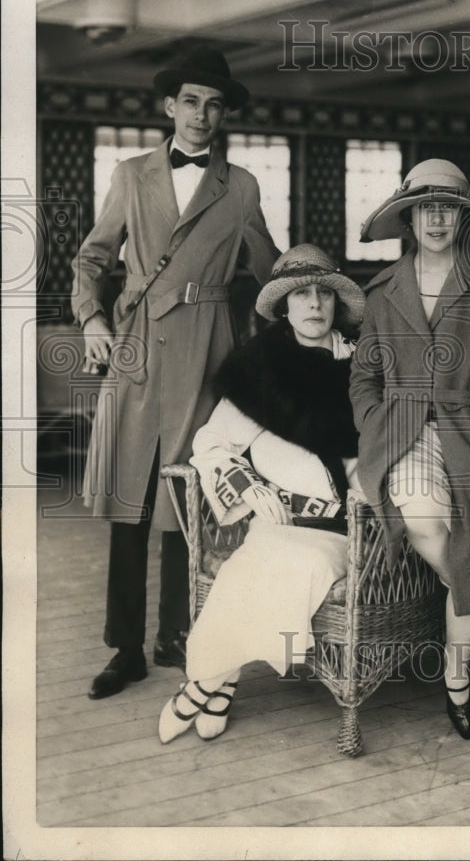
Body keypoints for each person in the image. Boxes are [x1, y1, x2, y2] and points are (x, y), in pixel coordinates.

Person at [72, 46, 280, 699]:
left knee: (189, 499)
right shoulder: (131, 175)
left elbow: (269, 267)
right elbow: (92, 257)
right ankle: (125, 648)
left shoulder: (241, 186)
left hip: (209, 347)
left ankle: (179, 635)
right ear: (170, 107)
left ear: (223, 116)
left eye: (214, 105)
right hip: (137, 345)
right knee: (130, 501)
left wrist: (312, 302)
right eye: (190, 101)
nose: (201, 115)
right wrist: (92, 321)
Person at [157, 244, 365, 742]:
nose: (314, 304)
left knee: (285, 566)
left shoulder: (363, 367)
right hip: (274, 523)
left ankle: (201, 685)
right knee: (248, 565)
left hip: (339, 530)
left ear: (335, 304)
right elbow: (209, 443)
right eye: (301, 295)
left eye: (323, 294)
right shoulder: (261, 369)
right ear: (284, 306)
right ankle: (221, 683)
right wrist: (247, 487)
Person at [350, 159, 470, 741]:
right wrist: (374, 421)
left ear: (462, 217)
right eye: (426, 207)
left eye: (448, 206)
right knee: (423, 514)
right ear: (409, 217)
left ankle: (456, 673)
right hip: (402, 431)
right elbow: (363, 378)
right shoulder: (383, 291)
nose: (437, 217)